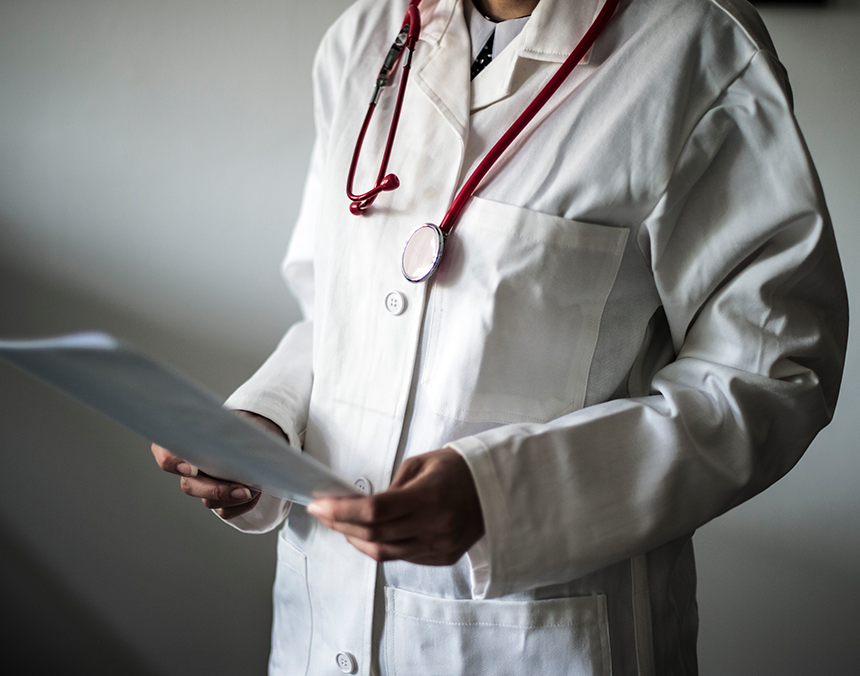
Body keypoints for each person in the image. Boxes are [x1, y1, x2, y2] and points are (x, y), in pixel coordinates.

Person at [152, 0, 848, 674]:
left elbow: (769, 373)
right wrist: (263, 426)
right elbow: (339, 316)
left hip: (539, 640)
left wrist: (506, 498)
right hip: (319, 627)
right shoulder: (363, 37)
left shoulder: (696, 48)